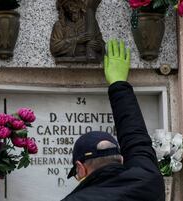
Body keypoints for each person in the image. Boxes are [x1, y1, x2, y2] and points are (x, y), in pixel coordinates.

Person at [61, 40, 165, 201]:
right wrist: (118, 84)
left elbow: (137, 143)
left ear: (80, 169)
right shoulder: (148, 181)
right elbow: (136, 141)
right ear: (121, 159)